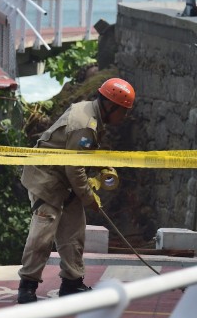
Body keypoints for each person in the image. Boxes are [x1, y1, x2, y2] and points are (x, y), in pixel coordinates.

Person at [16, 77, 135, 304]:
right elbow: (75, 167)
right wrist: (89, 198)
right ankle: (27, 287)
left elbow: (80, 156)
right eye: (124, 111)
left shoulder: (92, 115)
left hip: (64, 181)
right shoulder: (85, 125)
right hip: (47, 178)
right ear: (110, 106)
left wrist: (101, 166)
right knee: (43, 233)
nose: (125, 116)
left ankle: (72, 283)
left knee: (73, 232)